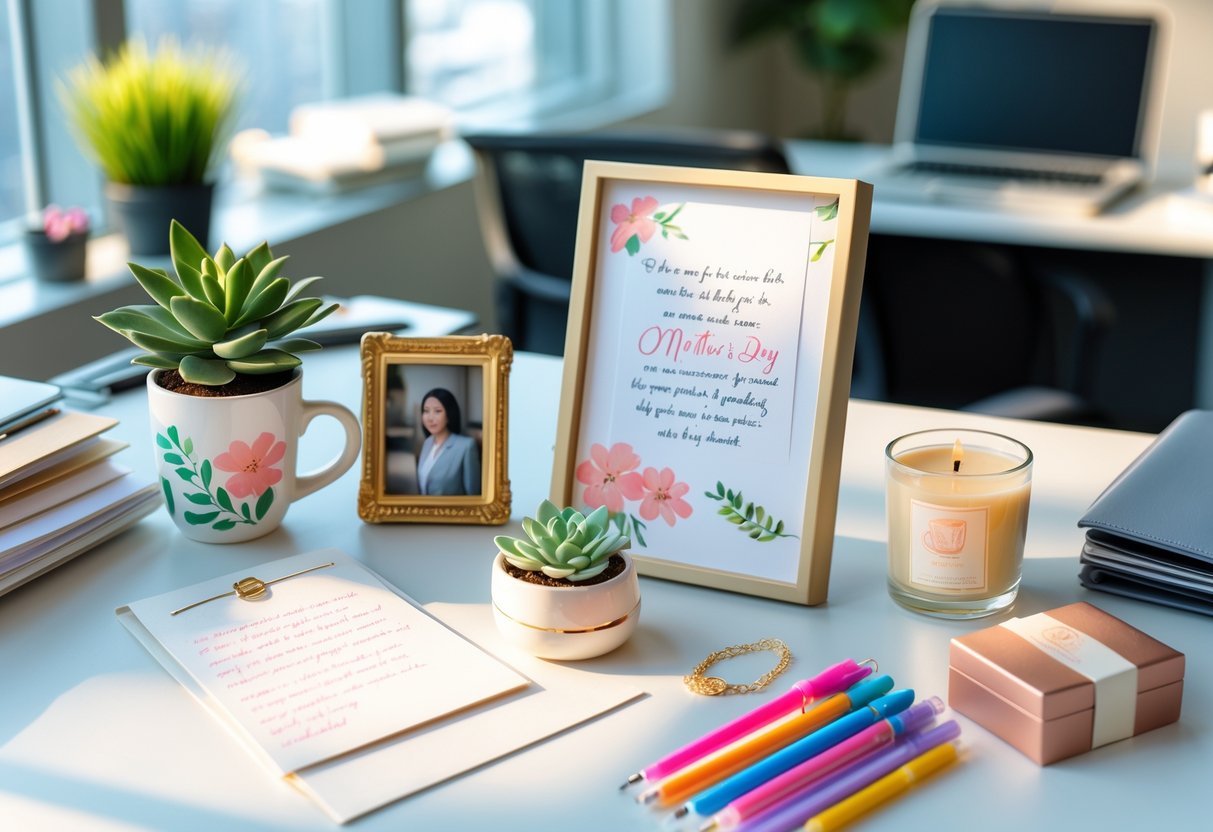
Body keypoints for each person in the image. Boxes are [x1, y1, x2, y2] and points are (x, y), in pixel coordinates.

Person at [417, 387, 481, 496]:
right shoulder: (427, 443)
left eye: (437, 411)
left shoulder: (466, 446)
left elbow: (473, 494)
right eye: (426, 411)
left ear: (449, 415)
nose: (430, 418)